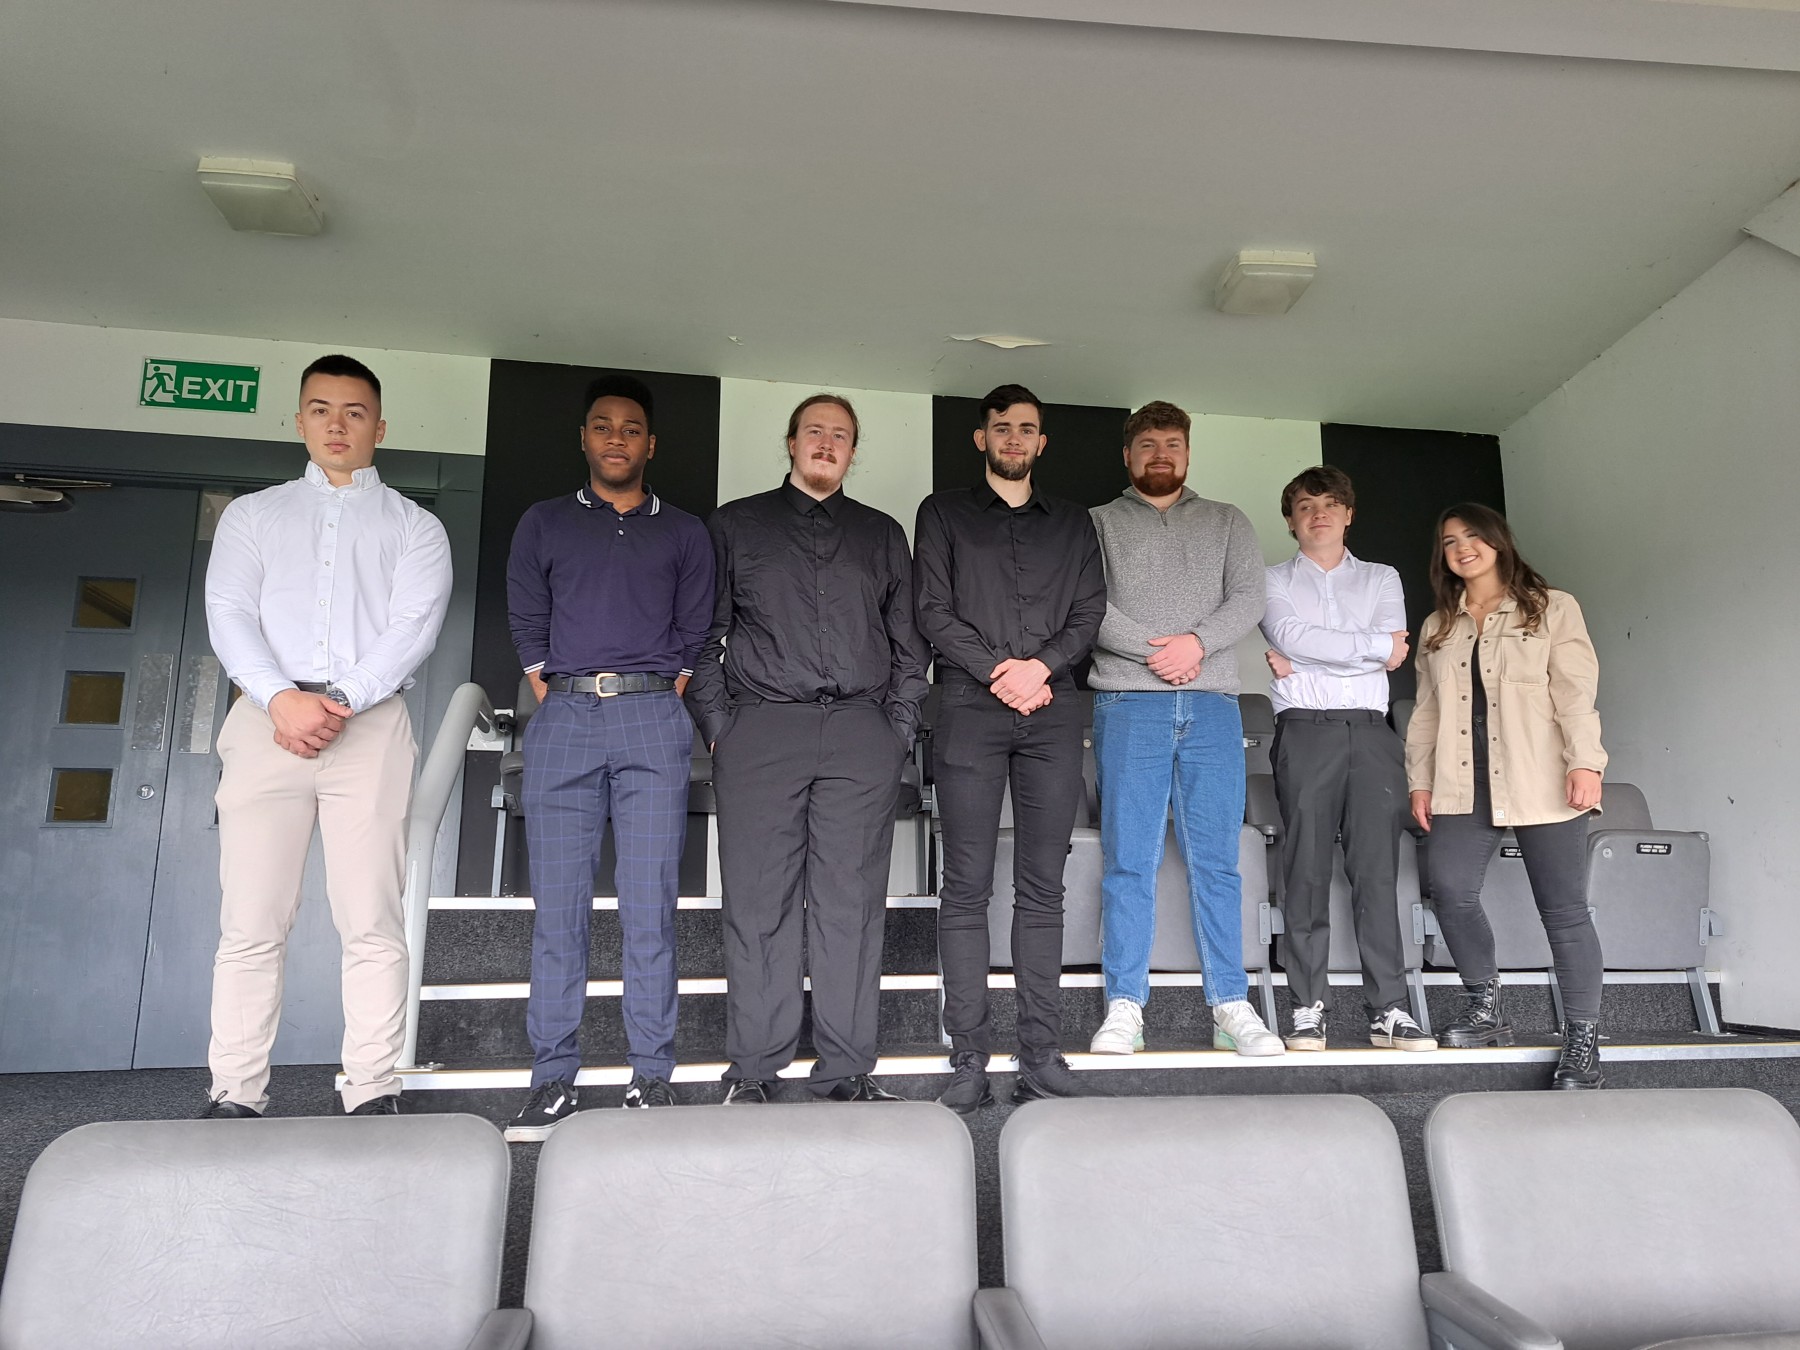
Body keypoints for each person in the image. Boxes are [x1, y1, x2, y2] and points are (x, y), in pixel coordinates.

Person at [202, 353, 452, 1117]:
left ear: (380, 427)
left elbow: (413, 627)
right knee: (250, 921)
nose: (336, 425)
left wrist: (337, 700)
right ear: (300, 420)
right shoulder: (253, 515)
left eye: (353, 412)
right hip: (264, 723)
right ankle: (235, 1092)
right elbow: (229, 613)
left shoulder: (416, 526)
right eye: (320, 409)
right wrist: (280, 697)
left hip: (368, 729)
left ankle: (372, 1089)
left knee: (371, 920)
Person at [686, 393, 928, 1103]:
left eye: (840, 435)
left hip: (860, 734)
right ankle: (755, 1070)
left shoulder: (882, 534)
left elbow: (910, 647)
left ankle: (846, 1069)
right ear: (791, 443)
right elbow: (701, 636)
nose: (827, 443)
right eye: (814, 431)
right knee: (758, 902)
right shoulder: (735, 525)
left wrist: (896, 729)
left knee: (851, 903)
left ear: (853, 451)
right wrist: (721, 727)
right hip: (760, 731)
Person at [502, 375, 714, 1139]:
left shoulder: (684, 532)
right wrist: (562, 691)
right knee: (559, 909)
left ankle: (651, 1075)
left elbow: (695, 632)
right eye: (602, 426)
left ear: (650, 444)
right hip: (564, 717)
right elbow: (527, 618)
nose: (616, 438)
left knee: (648, 905)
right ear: (584, 438)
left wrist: (651, 693)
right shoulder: (544, 522)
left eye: (630, 428)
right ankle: (552, 1078)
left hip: (653, 717)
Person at [913, 384, 1106, 1113]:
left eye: (1027, 428)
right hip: (970, 707)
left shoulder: (1074, 522)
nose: (1015, 438)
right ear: (982, 438)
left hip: (1052, 712)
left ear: (1041, 442)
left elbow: (1089, 610)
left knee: (1043, 888)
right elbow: (932, 610)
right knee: (965, 886)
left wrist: (1040, 668)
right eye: (1003, 427)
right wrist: (1006, 671)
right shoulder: (942, 513)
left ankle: (1040, 1055)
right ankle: (968, 1058)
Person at [1086, 401, 1284, 1057]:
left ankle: (1231, 1005)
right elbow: (1086, 603)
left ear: (1188, 452)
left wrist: (1194, 644)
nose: (1161, 454)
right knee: (1128, 861)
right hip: (1128, 704)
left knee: (1218, 863)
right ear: (1127, 455)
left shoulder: (1227, 520)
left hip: (1213, 708)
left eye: (1172, 443)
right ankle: (1124, 1006)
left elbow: (1249, 598)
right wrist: (1159, 654)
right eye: (1148, 444)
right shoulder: (1098, 523)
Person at [1405, 502, 1607, 1089]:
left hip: (1540, 776)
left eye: (1473, 536)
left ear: (1499, 541)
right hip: (1462, 781)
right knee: (1450, 890)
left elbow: (1575, 693)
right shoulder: (1439, 626)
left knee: (1564, 911)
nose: (1462, 548)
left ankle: (1583, 1041)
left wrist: (1586, 762)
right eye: (1449, 541)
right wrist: (1420, 779)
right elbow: (1426, 712)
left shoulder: (1551, 608)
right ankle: (1486, 1009)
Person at [1261, 466, 1435, 1052]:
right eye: (1305, 506)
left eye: (1331, 504)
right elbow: (1293, 636)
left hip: (1371, 731)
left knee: (1376, 872)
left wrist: (1306, 662)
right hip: (1305, 730)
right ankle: (1307, 1007)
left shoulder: (1382, 577)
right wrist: (1370, 650)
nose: (1319, 514)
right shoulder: (1271, 580)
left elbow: (1394, 653)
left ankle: (1389, 1009)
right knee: (1305, 870)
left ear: (1349, 514)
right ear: (1291, 520)